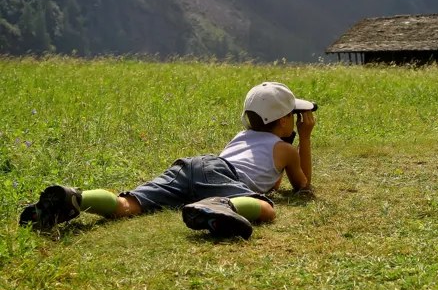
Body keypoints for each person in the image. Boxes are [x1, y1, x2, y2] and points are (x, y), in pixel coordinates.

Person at [19, 82, 316, 240]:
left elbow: (268, 176)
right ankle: (220, 205)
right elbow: (302, 185)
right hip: (220, 176)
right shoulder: (286, 150)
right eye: (295, 115)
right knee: (266, 209)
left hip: (196, 165)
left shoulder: (241, 136)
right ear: (284, 120)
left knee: (128, 205)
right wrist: (305, 136)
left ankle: (76, 199)